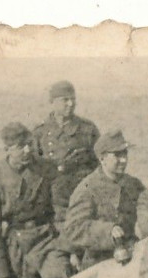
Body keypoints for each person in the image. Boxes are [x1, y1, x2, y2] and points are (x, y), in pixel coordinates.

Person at [0, 121, 72, 278]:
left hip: (47, 240)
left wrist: (71, 249)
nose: (28, 150)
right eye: (21, 147)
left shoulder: (47, 170)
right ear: (7, 150)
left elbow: (62, 212)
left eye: (30, 143)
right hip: (17, 248)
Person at [62, 129, 146, 268]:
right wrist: (108, 231)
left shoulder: (133, 184)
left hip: (133, 252)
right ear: (102, 159)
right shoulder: (87, 188)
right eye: (117, 155)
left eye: (125, 153)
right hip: (100, 260)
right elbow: (73, 228)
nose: (124, 160)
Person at [32, 80, 101, 227]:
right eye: (65, 100)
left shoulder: (87, 130)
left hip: (80, 196)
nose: (71, 104)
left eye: (73, 100)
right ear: (53, 102)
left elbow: (99, 166)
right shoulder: (40, 132)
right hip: (50, 200)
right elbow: (33, 168)